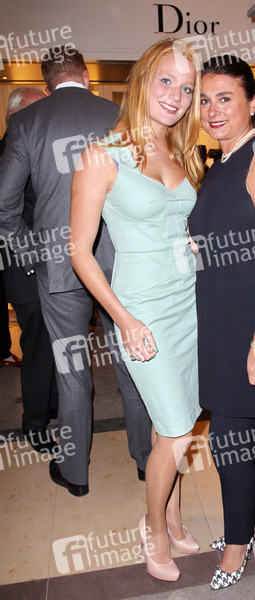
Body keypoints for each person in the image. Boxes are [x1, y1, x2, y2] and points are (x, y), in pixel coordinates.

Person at [69, 38, 203, 582]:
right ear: (144, 80)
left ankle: (171, 515)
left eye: (187, 87)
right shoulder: (102, 155)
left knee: (175, 422)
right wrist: (123, 319)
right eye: (166, 80)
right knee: (177, 432)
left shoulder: (183, 149)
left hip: (189, 300)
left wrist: (190, 243)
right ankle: (153, 528)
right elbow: (80, 251)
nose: (177, 95)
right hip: (142, 308)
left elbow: (177, 219)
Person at [0, 47, 152, 495]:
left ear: (47, 85)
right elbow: (144, 189)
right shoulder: (119, 115)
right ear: (86, 77)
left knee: (71, 374)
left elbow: (4, 205)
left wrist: (31, 252)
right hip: (119, 263)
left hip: (59, 265)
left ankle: (75, 473)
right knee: (130, 364)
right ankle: (147, 461)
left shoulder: (27, 122)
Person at [189, 56, 255, 590]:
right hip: (220, 316)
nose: (212, 110)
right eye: (205, 99)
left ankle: (236, 547)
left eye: (225, 98)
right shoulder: (224, 158)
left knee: (228, 436)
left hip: (251, 323)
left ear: (253, 102)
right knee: (244, 428)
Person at [0, 87, 59, 454]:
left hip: (46, 263)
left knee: (50, 342)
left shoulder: (33, 147)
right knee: (37, 346)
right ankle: (35, 425)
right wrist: (32, 255)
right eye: (38, 111)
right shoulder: (8, 151)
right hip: (25, 267)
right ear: (16, 115)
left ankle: (50, 406)